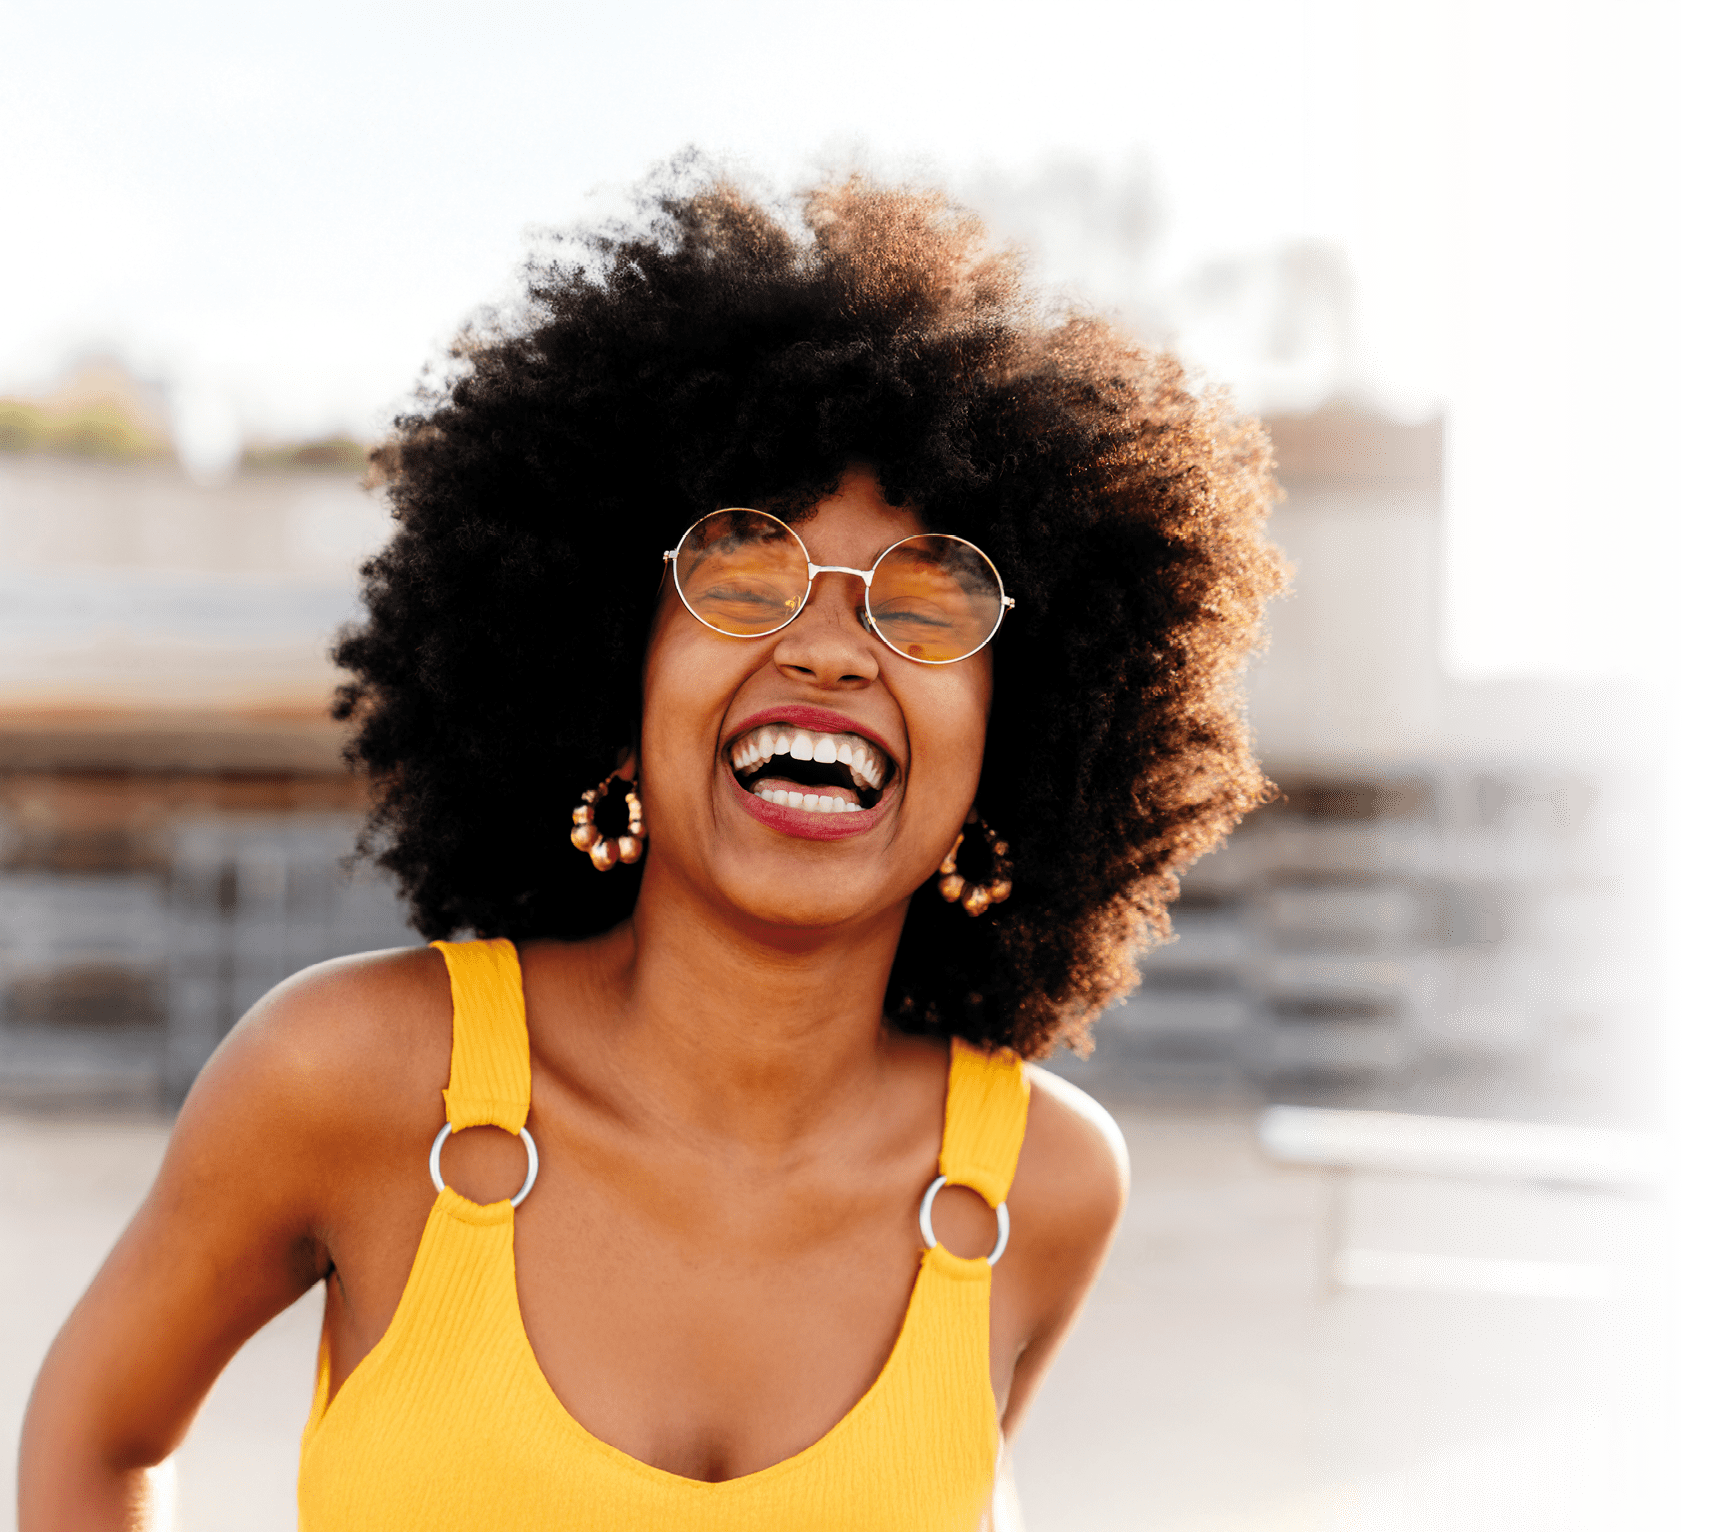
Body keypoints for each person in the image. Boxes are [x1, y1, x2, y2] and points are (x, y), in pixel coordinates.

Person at [19, 169, 1282, 1530]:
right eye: (741, 573)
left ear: (1016, 743)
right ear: (607, 687)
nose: (823, 646)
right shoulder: (346, 1078)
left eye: (930, 601)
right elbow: (98, 1439)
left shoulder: (1042, 1185)